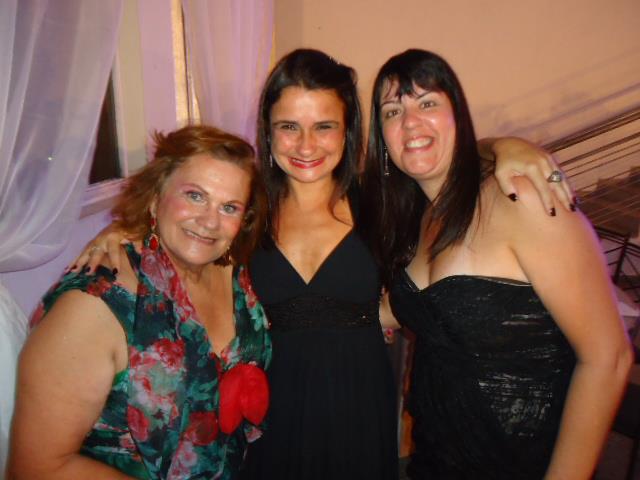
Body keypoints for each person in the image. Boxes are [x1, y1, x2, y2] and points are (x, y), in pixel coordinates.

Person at [69, 50, 574, 480]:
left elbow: (443, 171)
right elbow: (187, 230)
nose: (306, 145)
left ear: (348, 130)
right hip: (270, 411)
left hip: (359, 404)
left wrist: (504, 147)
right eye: (289, 127)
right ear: (268, 133)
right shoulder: (247, 210)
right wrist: (124, 230)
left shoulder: (386, 203)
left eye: (324, 126)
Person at [362, 49, 632, 479]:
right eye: (392, 111)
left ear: (457, 114)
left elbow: (608, 357)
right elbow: (422, 311)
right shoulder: (419, 220)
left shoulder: (518, 196)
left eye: (427, 103)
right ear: (382, 137)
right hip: (433, 461)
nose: (410, 122)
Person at [7, 126, 272, 480]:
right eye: (195, 195)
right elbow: (36, 469)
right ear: (155, 196)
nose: (210, 221)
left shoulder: (231, 269)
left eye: (229, 207)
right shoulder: (92, 306)